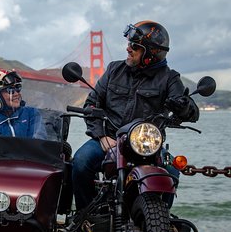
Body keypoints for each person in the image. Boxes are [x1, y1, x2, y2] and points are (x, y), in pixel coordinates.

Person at [71, 20, 199, 210]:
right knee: (80, 162)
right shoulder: (115, 70)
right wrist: (100, 135)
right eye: (130, 44)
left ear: (150, 54)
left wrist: (183, 106)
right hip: (109, 139)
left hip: (145, 146)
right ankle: (86, 218)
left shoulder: (169, 79)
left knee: (172, 169)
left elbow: (192, 113)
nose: (128, 48)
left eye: (135, 46)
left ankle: (159, 222)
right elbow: (92, 104)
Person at [0, 69, 47, 145]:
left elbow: (38, 142)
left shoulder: (31, 113)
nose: (16, 94)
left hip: (30, 157)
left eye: (17, 88)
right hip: (0, 157)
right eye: (10, 90)